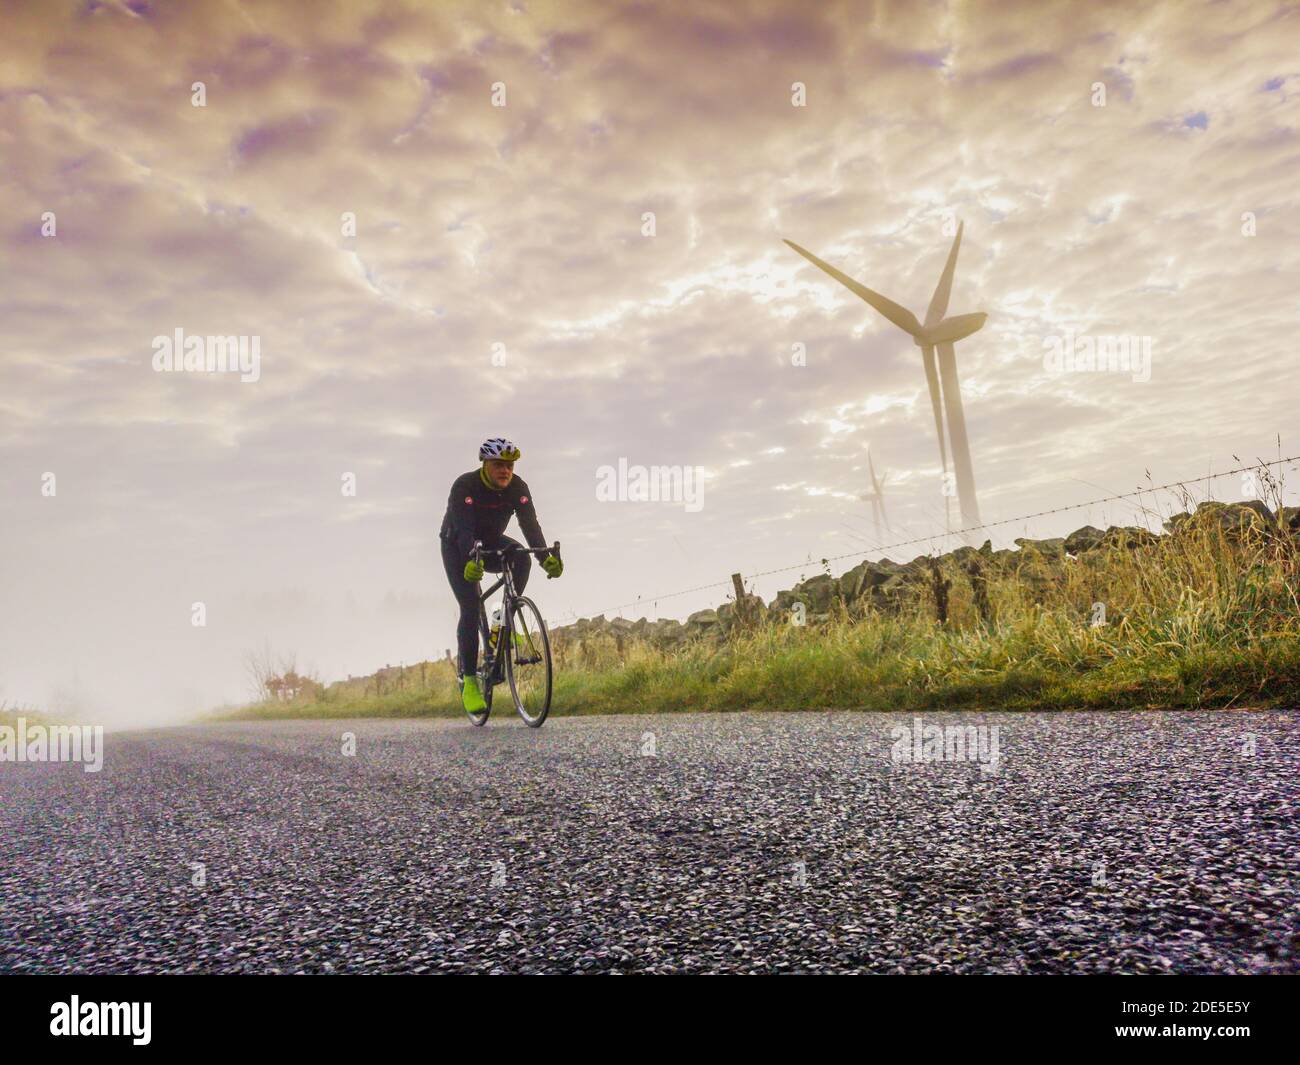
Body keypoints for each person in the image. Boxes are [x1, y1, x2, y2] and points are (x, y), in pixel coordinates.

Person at [439, 437, 563, 713]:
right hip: (458, 545)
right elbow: (464, 530)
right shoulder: (465, 486)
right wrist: (472, 559)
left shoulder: (518, 487)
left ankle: (501, 622)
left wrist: (545, 558)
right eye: (498, 465)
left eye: (509, 465)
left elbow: (530, 524)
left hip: (492, 540)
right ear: (484, 464)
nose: (505, 470)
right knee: (470, 607)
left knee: (522, 558)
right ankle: (469, 681)